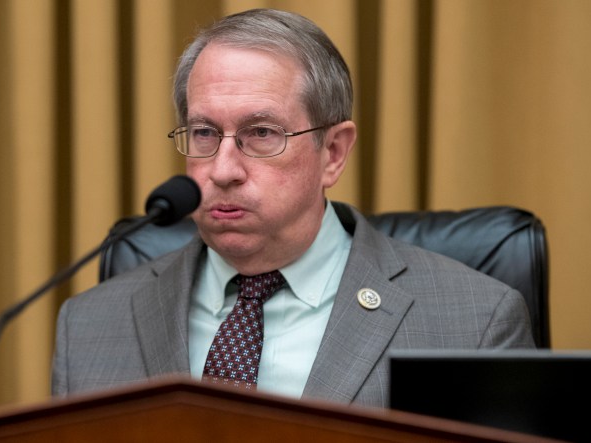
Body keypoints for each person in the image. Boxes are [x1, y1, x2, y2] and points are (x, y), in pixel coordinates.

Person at [52, 8, 534, 407]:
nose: (222, 170)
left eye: (261, 133)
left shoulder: (474, 323)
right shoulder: (91, 326)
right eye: (204, 133)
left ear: (334, 153)